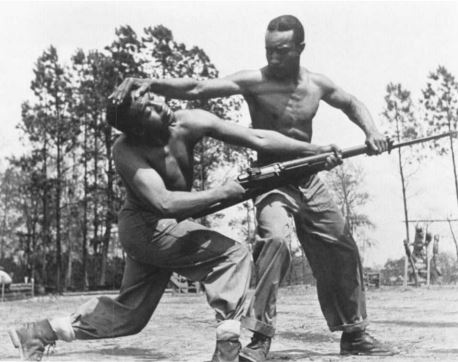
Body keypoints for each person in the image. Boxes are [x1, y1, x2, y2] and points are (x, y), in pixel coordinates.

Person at [110, 14, 394, 361]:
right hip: (271, 178)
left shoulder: (317, 84)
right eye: (269, 50)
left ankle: (354, 334)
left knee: (341, 245)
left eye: (282, 51)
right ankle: (258, 341)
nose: (273, 58)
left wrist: (373, 132)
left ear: (300, 49)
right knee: (274, 241)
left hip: (309, 176)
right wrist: (148, 82)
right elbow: (199, 88)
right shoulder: (253, 81)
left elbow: (352, 103)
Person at [8, 92, 342, 362]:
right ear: (135, 128)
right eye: (148, 109)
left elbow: (256, 137)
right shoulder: (126, 150)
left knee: (130, 317)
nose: (160, 104)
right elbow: (164, 202)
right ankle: (227, 351)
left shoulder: (188, 120)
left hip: (164, 228)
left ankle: (38, 333)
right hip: (145, 228)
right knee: (234, 256)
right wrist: (224, 191)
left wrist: (313, 151)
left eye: (153, 97)